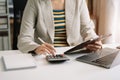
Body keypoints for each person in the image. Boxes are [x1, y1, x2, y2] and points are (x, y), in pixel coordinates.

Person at [17, 0, 102, 55]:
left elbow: (87, 29)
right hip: (46, 56)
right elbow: (24, 38)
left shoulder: (79, 1)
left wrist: (94, 40)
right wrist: (36, 48)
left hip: (73, 55)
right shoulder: (34, 2)